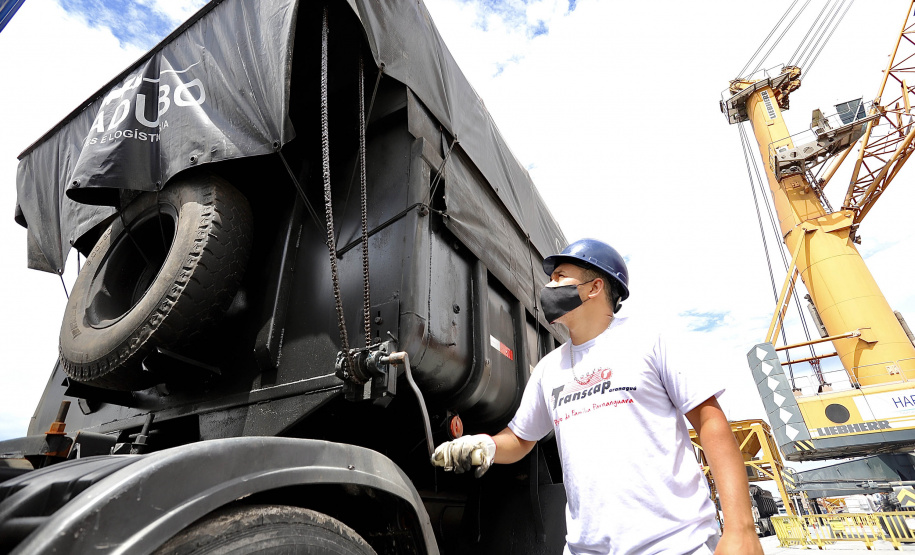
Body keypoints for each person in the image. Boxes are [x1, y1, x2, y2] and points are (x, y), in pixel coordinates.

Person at [431, 239, 763, 555]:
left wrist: (741, 529)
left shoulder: (650, 339)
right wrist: (486, 445)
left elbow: (710, 421)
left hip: (674, 543)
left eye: (559, 277)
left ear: (594, 287)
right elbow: (520, 438)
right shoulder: (549, 369)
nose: (549, 287)